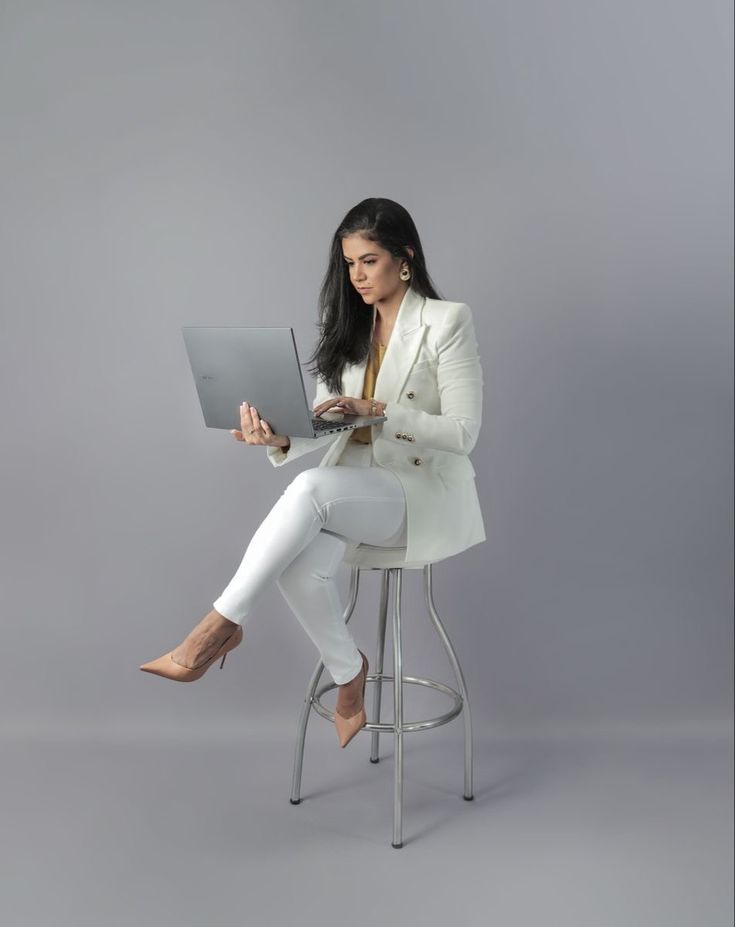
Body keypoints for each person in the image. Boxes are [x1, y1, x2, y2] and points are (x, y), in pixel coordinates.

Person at [140, 197, 486, 748]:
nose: (357, 276)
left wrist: (384, 412)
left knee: (308, 491)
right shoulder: (347, 324)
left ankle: (216, 629)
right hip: (352, 489)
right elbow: (325, 421)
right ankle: (350, 673)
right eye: (349, 264)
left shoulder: (448, 321)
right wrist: (277, 435)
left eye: (369, 261)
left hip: (419, 494)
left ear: (405, 258)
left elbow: (464, 433)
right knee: (297, 568)